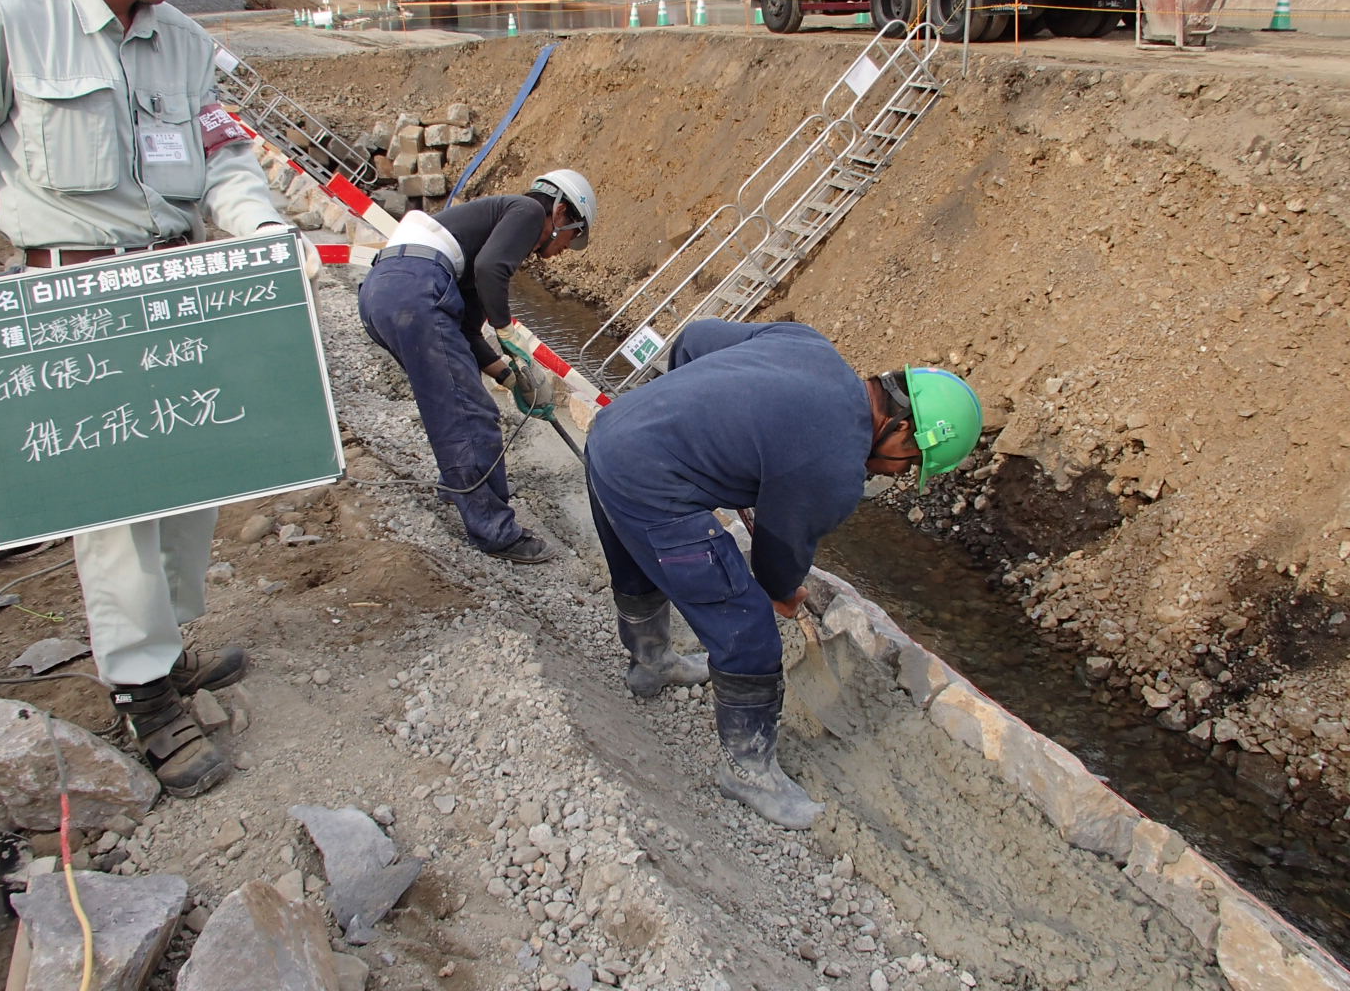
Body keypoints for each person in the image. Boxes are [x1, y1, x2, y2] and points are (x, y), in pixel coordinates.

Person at [0, 0, 313, 798]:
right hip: (74, 305)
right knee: (119, 510)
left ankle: (162, 651)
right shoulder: (5, 23)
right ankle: (140, 696)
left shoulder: (186, 47)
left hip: (178, 291)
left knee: (192, 485)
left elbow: (224, 156)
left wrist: (258, 228)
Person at [583, 319, 981, 829]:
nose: (897, 475)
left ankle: (652, 664)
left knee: (640, 560)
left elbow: (693, 339)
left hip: (615, 433)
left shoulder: (808, 346)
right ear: (902, 428)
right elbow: (778, 556)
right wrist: (780, 593)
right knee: (748, 629)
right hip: (651, 482)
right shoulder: (836, 469)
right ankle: (749, 772)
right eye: (909, 463)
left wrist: (688, 425)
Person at [357, 171, 595, 563]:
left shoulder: (481, 237)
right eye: (571, 237)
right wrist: (505, 330)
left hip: (384, 293)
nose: (565, 248)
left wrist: (509, 376)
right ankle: (495, 531)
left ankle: (460, 485)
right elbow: (491, 270)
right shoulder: (526, 211)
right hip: (416, 291)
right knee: (470, 414)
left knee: (450, 402)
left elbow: (465, 332)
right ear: (562, 211)